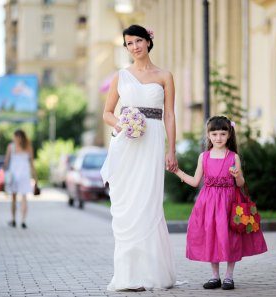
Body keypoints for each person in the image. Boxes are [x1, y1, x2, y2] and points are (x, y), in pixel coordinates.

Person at [100, 24, 178, 291]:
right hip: (128, 143)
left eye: (138, 41)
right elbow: (107, 113)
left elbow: (169, 114)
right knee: (128, 204)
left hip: (154, 141)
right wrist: (123, 125)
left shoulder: (165, 75)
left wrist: (172, 149)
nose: (134, 46)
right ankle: (128, 276)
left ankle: (152, 273)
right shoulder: (120, 76)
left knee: (149, 202)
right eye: (129, 43)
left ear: (148, 42)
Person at [173, 116, 268, 290]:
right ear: (208, 135)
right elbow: (195, 181)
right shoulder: (204, 157)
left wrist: (237, 175)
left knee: (230, 237)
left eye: (223, 134)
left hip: (228, 204)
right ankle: (215, 276)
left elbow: (240, 183)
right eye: (214, 133)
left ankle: (229, 277)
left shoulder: (233, 157)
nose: (218, 138)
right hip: (208, 204)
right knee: (212, 237)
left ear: (229, 135)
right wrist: (177, 171)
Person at [3, 129, 38, 229]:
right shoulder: (28, 147)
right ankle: (23, 221)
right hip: (25, 175)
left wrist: (4, 173)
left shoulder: (11, 147)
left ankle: (13, 220)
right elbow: (32, 163)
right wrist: (35, 177)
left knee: (13, 198)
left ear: (16, 137)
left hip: (14, 175)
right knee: (24, 198)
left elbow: (6, 162)